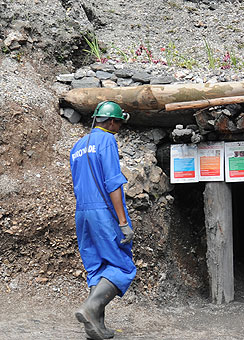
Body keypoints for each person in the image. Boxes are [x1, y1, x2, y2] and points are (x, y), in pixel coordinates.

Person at [69, 101, 136, 340]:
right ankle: (89, 308)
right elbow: (113, 182)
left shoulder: (77, 146)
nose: (119, 126)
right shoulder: (107, 140)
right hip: (103, 213)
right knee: (122, 266)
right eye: (119, 122)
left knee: (96, 267)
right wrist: (121, 221)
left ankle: (95, 326)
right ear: (110, 121)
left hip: (82, 213)